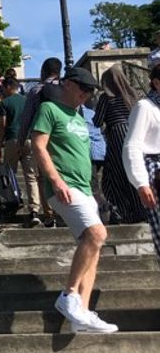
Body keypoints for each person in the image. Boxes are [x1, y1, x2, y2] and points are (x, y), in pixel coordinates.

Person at [31, 66, 118, 333]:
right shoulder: (49, 109)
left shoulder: (80, 117)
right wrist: (55, 180)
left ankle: (82, 313)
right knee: (96, 234)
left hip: (84, 188)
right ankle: (69, 296)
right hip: (65, 187)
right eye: (82, 88)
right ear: (67, 84)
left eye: (90, 90)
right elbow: (38, 145)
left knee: (93, 246)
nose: (87, 94)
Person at [94, 66, 145, 225]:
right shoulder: (134, 96)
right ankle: (141, 210)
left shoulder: (106, 98)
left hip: (117, 135)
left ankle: (123, 211)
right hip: (135, 134)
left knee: (115, 173)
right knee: (134, 172)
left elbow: (97, 121)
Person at [16, 57, 63, 228]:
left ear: (43, 71)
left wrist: (21, 142)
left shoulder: (37, 90)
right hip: (63, 138)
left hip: (41, 138)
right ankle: (65, 211)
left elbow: (26, 118)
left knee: (42, 177)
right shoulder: (66, 88)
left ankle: (49, 214)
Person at [123, 60, 160, 264]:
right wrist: (141, 182)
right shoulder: (145, 107)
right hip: (155, 171)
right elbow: (132, 145)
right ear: (156, 83)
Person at [0, 76, 43, 226]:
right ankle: (35, 209)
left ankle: (14, 201)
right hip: (29, 139)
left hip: (12, 139)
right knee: (31, 176)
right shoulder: (27, 101)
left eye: (3, 88)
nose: (1, 91)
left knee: (9, 173)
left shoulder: (4, 103)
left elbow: (3, 124)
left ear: (9, 87)